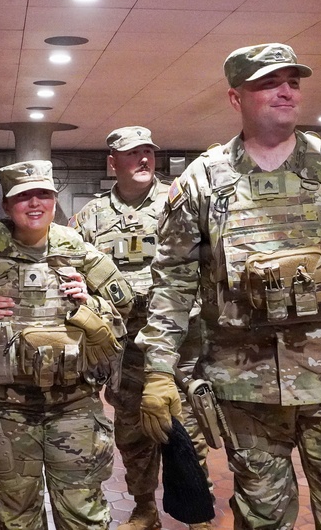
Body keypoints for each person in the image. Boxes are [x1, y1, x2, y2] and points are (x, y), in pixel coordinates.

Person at [134, 43, 321, 529]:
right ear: (236, 99)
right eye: (269, 83)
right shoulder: (204, 180)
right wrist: (160, 372)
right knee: (261, 518)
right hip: (244, 388)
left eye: (292, 81)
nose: (286, 91)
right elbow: (172, 282)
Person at [0, 160, 134, 529]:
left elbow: (125, 305)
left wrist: (91, 302)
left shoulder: (80, 253)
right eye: (23, 196)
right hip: (5, 411)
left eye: (44, 194)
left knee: (84, 514)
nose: (35, 203)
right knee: (17, 515)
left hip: (74, 408)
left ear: (54, 199)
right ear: (6, 205)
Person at [69, 126, 215, 530]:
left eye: (149, 152)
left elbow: (205, 265)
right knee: (133, 435)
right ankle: (144, 506)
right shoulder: (91, 217)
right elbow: (71, 268)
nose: (144, 160)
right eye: (133, 154)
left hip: (181, 343)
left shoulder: (177, 204)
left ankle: (197, 508)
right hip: (125, 348)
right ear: (113, 162)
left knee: (188, 429)